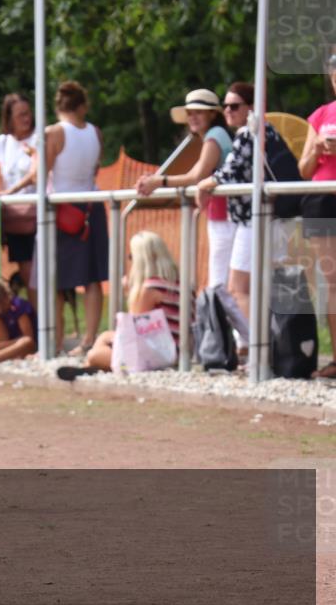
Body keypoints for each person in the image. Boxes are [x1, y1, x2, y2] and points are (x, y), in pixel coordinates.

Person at [195, 82, 288, 347]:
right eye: (225, 106)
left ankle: (261, 349)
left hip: (254, 220)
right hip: (272, 219)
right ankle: (272, 348)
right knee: (262, 289)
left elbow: (230, 171)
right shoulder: (266, 131)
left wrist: (206, 183)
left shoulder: (250, 133)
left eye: (234, 106)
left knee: (237, 289)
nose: (228, 110)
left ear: (250, 108)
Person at [136, 89, 234, 289]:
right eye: (190, 113)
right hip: (223, 213)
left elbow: (196, 176)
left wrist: (158, 182)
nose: (192, 117)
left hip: (226, 214)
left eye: (198, 112)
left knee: (220, 282)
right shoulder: (214, 135)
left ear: (213, 114)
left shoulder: (215, 135)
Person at [38, 81, 108, 355]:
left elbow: (41, 173)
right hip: (91, 207)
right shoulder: (96, 132)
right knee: (92, 279)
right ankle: (89, 339)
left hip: (62, 208)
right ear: (83, 106)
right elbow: (96, 167)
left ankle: (55, 342)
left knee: (56, 280)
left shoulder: (53, 132)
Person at [58, 231, 182, 379]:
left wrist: (131, 292)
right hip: (175, 350)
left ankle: (95, 367)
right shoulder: (179, 283)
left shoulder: (149, 289)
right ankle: (94, 368)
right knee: (105, 336)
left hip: (157, 356)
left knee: (94, 354)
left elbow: (132, 330)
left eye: (132, 257)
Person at [298, 53, 336, 379]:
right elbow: (303, 169)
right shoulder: (321, 114)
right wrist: (318, 149)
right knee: (332, 282)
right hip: (322, 200)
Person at [0, 93, 38, 297]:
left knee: (39, 273)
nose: (26, 119)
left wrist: (10, 191)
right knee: (27, 273)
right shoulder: (2, 142)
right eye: (20, 115)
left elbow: (37, 175)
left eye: (28, 113)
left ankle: (45, 323)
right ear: (9, 118)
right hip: (14, 218)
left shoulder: (40, 138)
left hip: (38, 214)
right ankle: (35, 323)